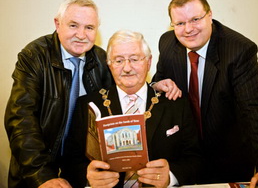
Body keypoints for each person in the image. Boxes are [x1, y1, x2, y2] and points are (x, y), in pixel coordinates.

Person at [151, 0, 258, 188]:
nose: (188, 29)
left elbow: (255, 110)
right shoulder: (167, 43)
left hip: (227, 157)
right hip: (182, 157)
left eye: (195, 19)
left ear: (210, 16)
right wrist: (155, 85)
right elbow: (158, 82)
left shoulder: (239, 50)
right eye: (180, 23)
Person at [62, 30, 202, 188]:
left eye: (134, 59)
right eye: (119, 61)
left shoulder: (175, 103)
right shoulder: (87, 105)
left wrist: (170, 177)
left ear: (148, 62)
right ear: (109, 65)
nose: (127, 68)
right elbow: (69, 163)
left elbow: (195, 159)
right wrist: (88, 177)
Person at [4, 0, 113, 188]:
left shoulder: (102, 60)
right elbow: (21, 119)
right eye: (73, 25)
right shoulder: (34, 56)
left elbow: (118, 103)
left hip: (80, 171)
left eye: (89, 27)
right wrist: (42, 175)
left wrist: (156, 86)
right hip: (36, 169)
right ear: (57, 24)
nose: (81, 34)